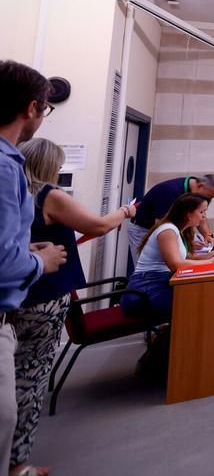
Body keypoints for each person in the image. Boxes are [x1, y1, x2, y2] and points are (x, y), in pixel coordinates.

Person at [11, 139, 132, 474]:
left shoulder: (12, 194)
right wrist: (124, 211)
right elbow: (98, 225)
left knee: (11, 377)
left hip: (14, 294)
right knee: (29, 381)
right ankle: (18, 464)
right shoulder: (48, 195)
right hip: (44, 294)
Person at [1, 64, 69, 476]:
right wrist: (38, 260)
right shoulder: (6, 167)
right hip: (19, 303)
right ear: (32, 108)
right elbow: (6, 263)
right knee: (7, 413)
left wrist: (21, 249)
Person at [121, 194, 214, 322]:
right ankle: (173, 339)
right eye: (201, 212)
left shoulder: (175, 229)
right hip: (144, 292)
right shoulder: (168, 230)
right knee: (200, 305)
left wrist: (207, 256)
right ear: (188, 214)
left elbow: (182, 257)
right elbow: (176, 264)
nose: (204, 216)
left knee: (202, 300)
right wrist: (211, 262)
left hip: (156, 285)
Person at [128, 173, 214, 261]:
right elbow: (160, 227)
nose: (208, 200)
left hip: (166, 232)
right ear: (200, 186)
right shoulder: (170, 191)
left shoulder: (199, 193)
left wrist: (207, 235)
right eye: (209, 196)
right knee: (147, 264)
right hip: (144, 228)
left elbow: (202, 216)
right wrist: (181, 244)